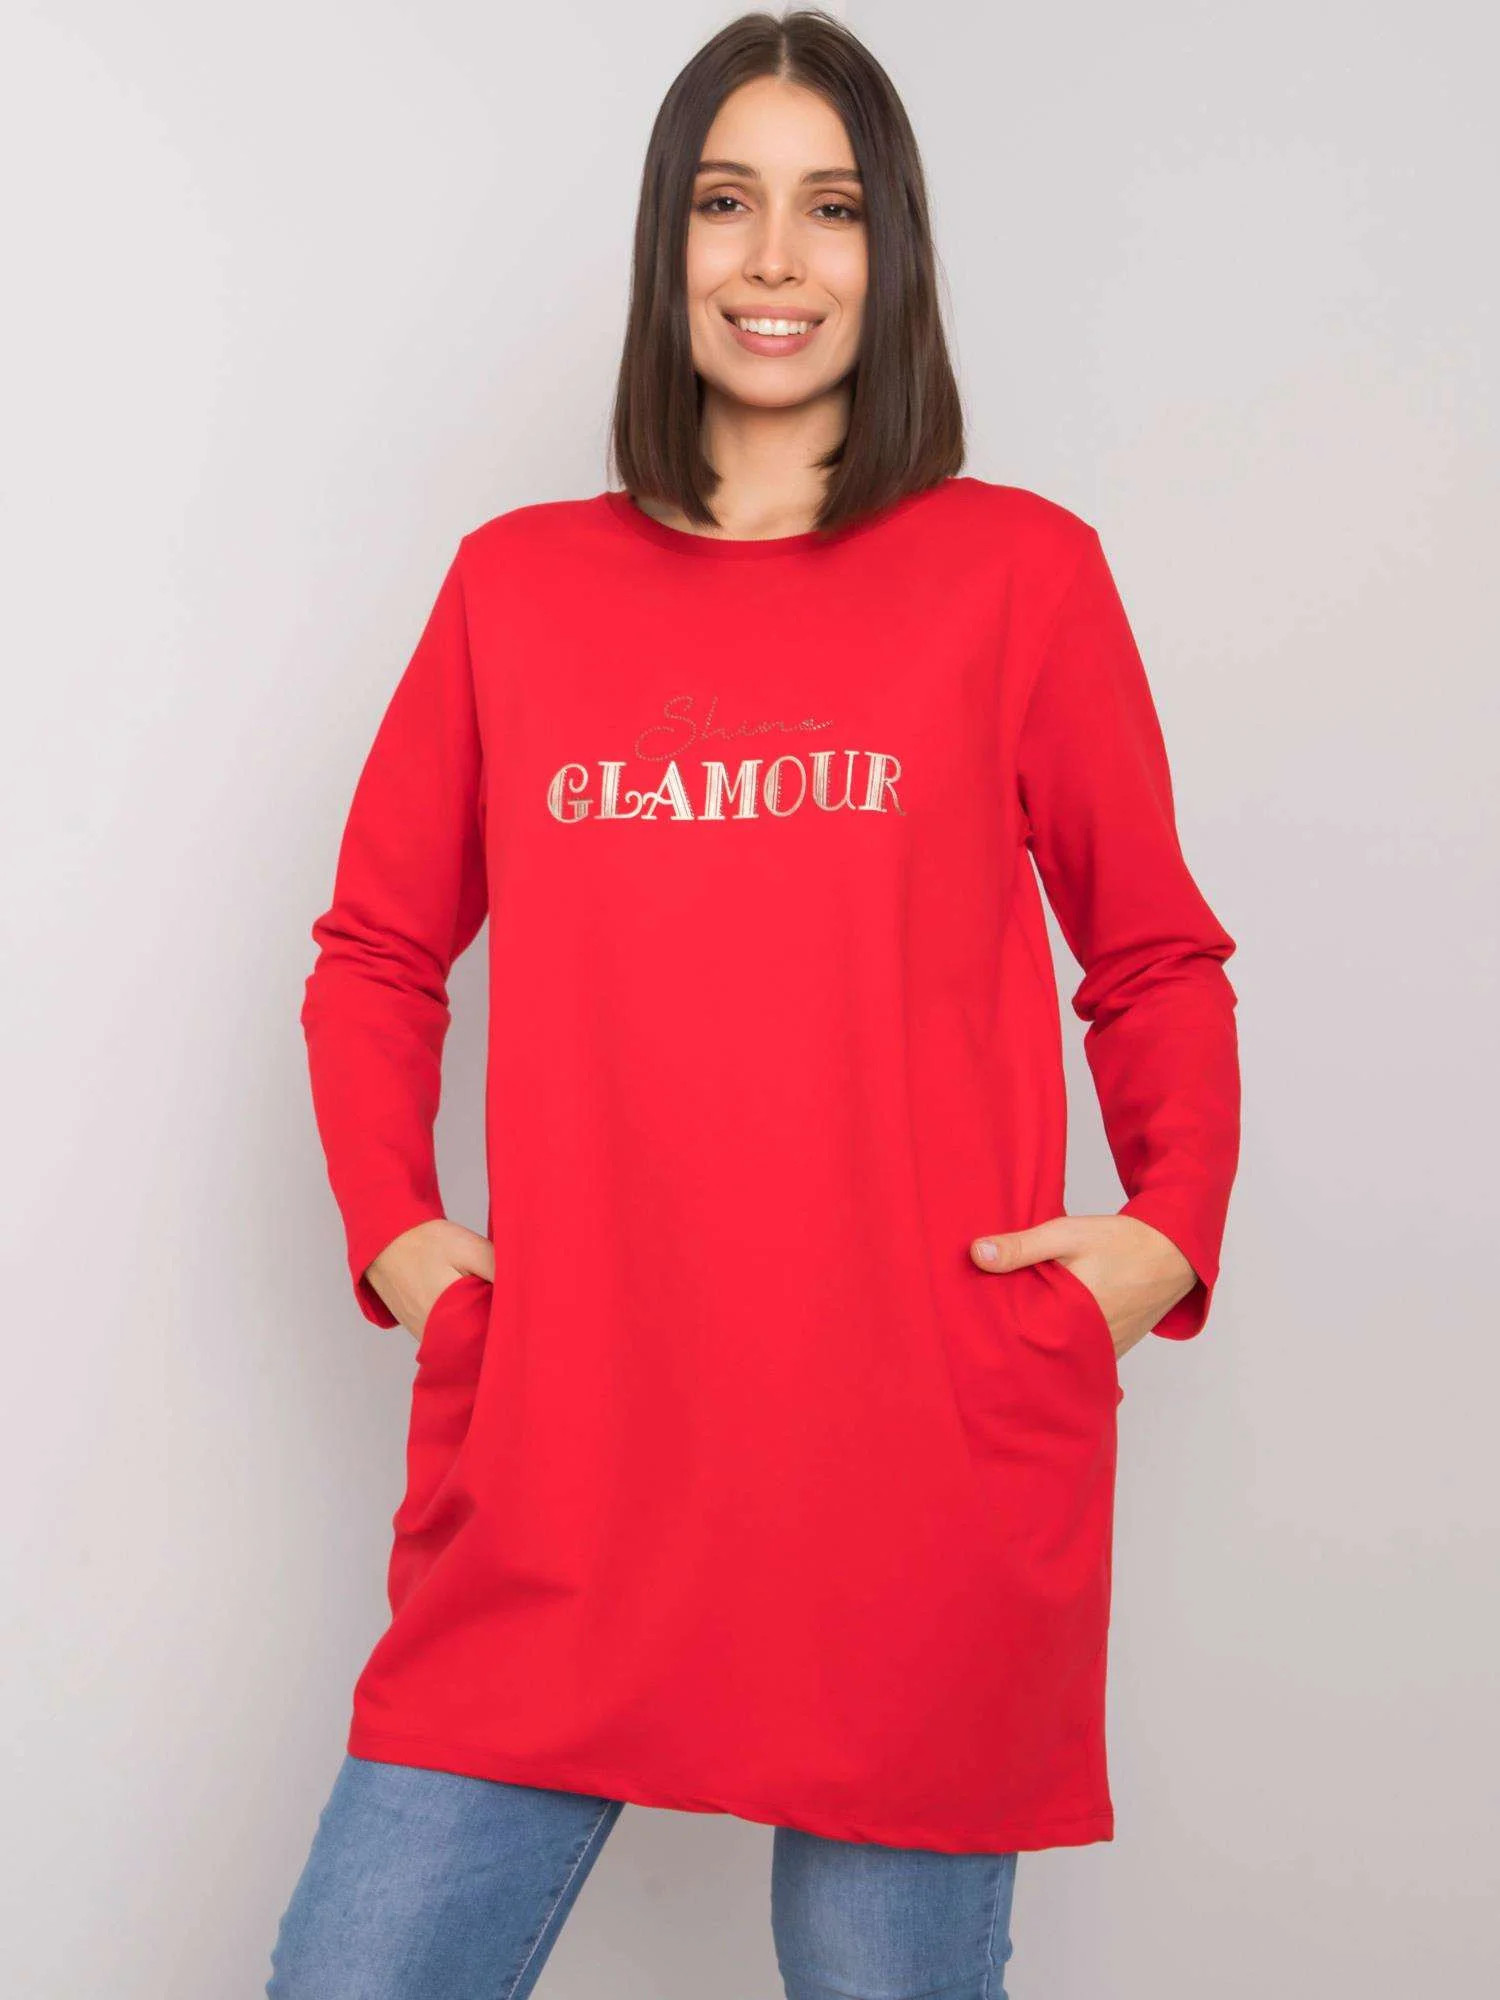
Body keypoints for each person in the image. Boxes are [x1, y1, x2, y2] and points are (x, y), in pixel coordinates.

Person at [267, 10, 1241, 1997]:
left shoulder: (1019, 577)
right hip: (569, 1456)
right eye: (727, 203)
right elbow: (374, 950)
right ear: (670, 240)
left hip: (916, 1466)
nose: (776, 258)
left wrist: (1160, 1237)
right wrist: (406, 1243)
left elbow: (1150, 956)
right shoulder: (517, 589)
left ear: (894, 255)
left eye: (832, 208)